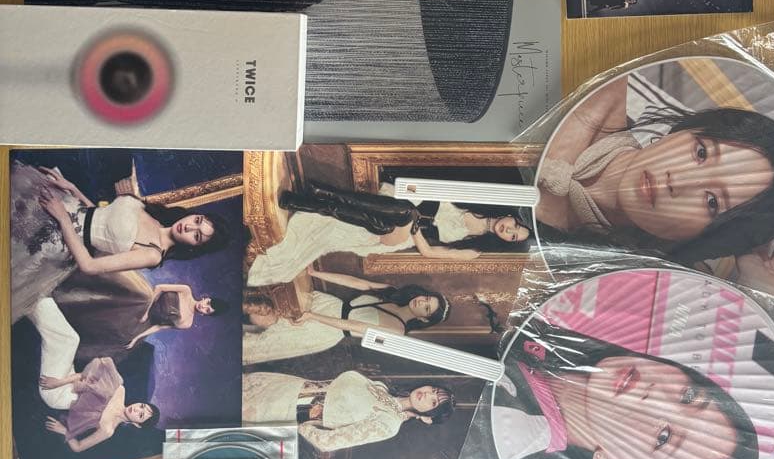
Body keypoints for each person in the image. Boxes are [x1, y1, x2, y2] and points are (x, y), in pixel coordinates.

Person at [532, 74, 774, 295]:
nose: (679, 181)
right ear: (683, 129)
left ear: (701, 239)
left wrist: (756, 293)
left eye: (712, 202)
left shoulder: (630, 284)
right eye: (701, 153)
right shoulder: (599, 85)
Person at [492, 321, 758, 459]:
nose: (655, 396)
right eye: (689, 397)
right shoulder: (557, 327)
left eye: (663, 437)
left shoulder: (502, 427)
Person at [10, 160, 231, 322]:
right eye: (197, 220)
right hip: (65, 205)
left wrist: (62, 219)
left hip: (57, 236)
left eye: (196, 236)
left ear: (194, 247)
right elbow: (102, 219)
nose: (189, 227)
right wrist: (72, 188)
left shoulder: (153, 254)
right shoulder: (155, 214)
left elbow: (89, 265)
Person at [246, 183, 532, 285]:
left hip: (405, 235)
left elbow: (428, 252)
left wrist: (415, 226)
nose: (509, 230)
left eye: (513, 236)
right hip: (394, 208)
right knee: (401, 211)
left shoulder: (473, 250)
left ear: (506, 243)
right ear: (512, 215)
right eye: (515, 225)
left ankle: (323, 196)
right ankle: (312, 203)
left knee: (405, 214)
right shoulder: (477, 197)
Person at [243, 270, 449, 364]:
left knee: (264, 338)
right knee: (265, 305)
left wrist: (312, 316)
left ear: (424, 319)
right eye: (426, 298)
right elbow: (358, 283)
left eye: (427, 308)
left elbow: (352, 325)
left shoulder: (397, 331)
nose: (421, 302)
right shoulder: (394, 293)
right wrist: (314, 274)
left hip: (325, 330)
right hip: (328, 304)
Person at [242, 369, 454, 451]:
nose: (427, 394)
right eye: (433, 390)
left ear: (427, 418)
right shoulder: (381, 388)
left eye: (433, 402)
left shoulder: (389, 424)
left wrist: (299, 422)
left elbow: (326, 442)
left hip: (281, 411)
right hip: (285, 385)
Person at [39, 348, 159, 455]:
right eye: (142, 406)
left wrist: (64, 430)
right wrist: (58, 382)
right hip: (65, 381)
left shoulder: (108, 430)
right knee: (71, 339)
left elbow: (78, 447)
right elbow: (84, 376)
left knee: (68, 339)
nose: (137, 409)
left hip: (59, 396)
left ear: (137, 425)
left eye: (141, 415)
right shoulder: (120, 390)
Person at [124, 283, 229, 349]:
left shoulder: (187, 323)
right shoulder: (186, 290)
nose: (203, 306)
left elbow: (159, 327)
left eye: (207, 310)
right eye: (207, 302)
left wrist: (137, 338)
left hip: (144, 322)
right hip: (144, 301)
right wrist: (146, 312)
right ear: (206, 298)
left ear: (205, 315)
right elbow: (159, 288)